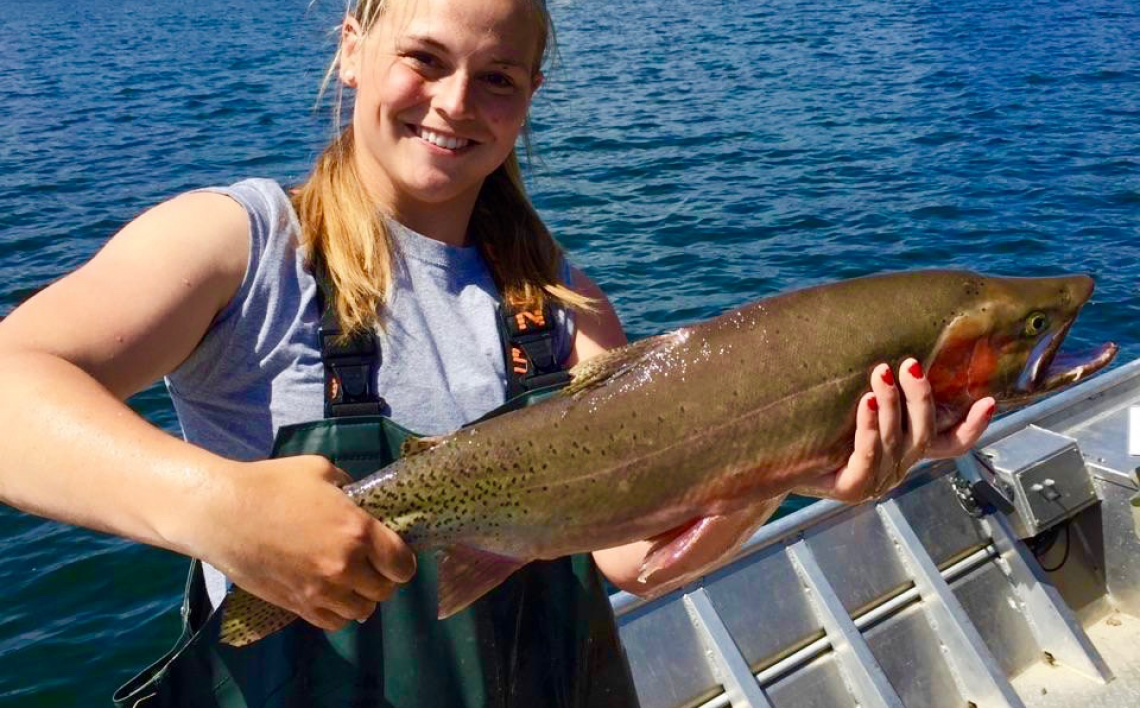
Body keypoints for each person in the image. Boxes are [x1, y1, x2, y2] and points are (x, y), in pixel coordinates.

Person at [0, 0, 996, 705]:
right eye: (424, 59)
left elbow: (633, 558)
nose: (455, 100)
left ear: (530, 99)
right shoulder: (241, 246)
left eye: (498, 79)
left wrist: (792, 466)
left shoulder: (566, 307)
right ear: (352, 46)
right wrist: (210, 505)